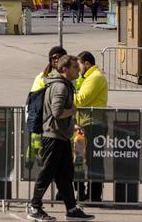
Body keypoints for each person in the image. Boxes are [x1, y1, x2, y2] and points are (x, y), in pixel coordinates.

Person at [27, 55, 94, 221]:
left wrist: (72, 125)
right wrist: (72, 112)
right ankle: (34, 206)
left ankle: (71, 209)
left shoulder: (64, 85)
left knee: (65, 174)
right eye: (75, 68)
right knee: (48, 172)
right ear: (65, 69)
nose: (78, 70)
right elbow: (57, 113)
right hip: (53, 136)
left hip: (61, 135)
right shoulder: (61, 87)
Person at [74, 51, 108, 204]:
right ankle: (80, 192)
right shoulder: (86, 78)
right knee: (79, 160)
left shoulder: (96, 78)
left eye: (79, 65)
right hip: (83, 125)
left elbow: (81, 100)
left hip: (93, 125)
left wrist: (66, 95)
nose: (77, 68)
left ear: (87, 64)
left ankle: (94, 195)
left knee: (95, 161)